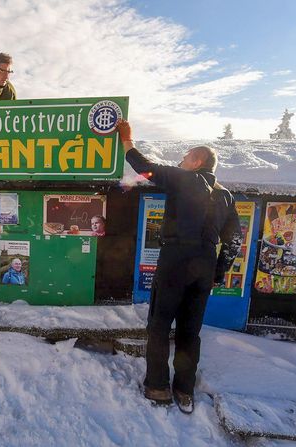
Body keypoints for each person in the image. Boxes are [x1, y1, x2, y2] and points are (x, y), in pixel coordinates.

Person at [116, 119, 242, 414]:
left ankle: (158, 386)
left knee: (159, 326)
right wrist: (218, 273)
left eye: (185, 157)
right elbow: (235, 240)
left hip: (175, 261)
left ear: (197, 161)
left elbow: (144, 168)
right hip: (205, 266)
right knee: (190, 332)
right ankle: (184, 390)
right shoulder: (225, 196)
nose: (180, 161)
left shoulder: (185, 179)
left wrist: (127, 139)